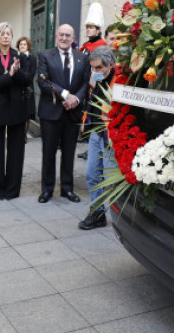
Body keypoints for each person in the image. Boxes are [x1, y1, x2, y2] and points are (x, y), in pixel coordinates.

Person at [37, 24, 90, 203]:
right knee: (48, 152)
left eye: (68, 35)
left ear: (73, 38)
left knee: (69, 152)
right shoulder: (45, 56)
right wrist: (66, 95)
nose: (64, 38)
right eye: (62, 35)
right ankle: (47, 190)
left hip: (72, 113)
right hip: (51, 112)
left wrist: (76, 99)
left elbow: (85, 83)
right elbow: (43, 82)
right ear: (56, 36)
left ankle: (67, 189)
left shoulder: (82, 58)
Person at [0, 23, 32, 200]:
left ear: (12, 37)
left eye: (8, 34)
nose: (5, 37)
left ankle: (12, 189)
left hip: (16, 109)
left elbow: (27, 80)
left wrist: (16, 72)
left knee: (16, 151)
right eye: (2, 34)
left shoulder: (20, 57)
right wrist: (8, 76)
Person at [78, 45, 116, 230]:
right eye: (93, 67)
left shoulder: (120, 82)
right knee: (92, 175)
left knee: (111, 178)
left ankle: (121, 219)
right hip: (96, 132)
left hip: (111, 135)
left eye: (99, 68)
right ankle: (98, 214)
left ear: (111, 64)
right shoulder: (95, 78)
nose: (95, 71)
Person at [16, 36, 37, 141]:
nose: (22, 46)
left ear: (28, 46)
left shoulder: (32, 58)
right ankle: (17, 134)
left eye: (24, 44)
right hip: (16, 88)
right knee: (18, 112)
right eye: (20, 44)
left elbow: (31, 74)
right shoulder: (16, 58)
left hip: (28, 89)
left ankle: (23, 135)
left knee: (27, 113)